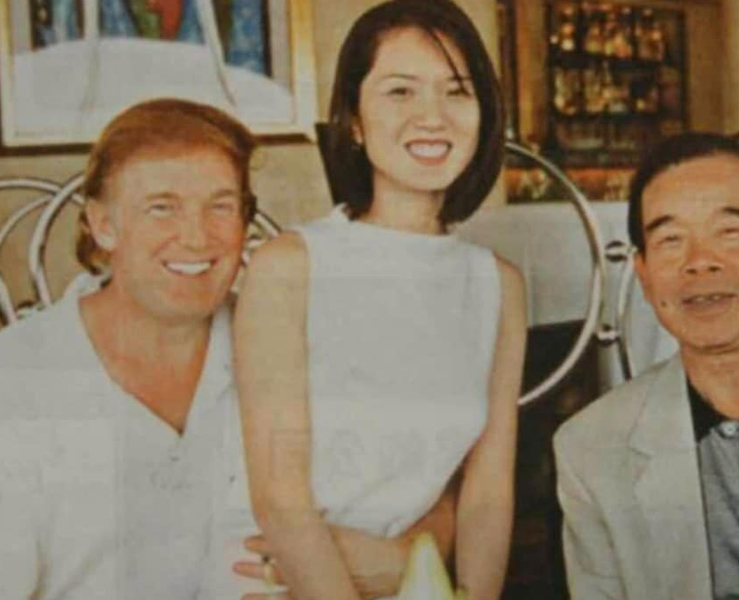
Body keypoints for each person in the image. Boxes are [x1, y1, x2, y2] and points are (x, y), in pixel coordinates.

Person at [0, 98, 453, 600]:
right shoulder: (17, 378)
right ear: (103, 225)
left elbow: (432, 477)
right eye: (162, 207)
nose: (197, 238)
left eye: (220, 206)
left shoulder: (295, 343)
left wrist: (404, 556)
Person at [234, 1, 527, 599]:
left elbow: (488, 494)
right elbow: (281, 501)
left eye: (456, 91)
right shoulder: (290, 266)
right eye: (400, 92)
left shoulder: (498, 284)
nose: (432, 117)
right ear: (355, 121)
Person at [554, 132, 739, 599]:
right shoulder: (591, 449)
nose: (700, 263)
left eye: (730, 233)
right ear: (644, 276)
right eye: (671, 240)